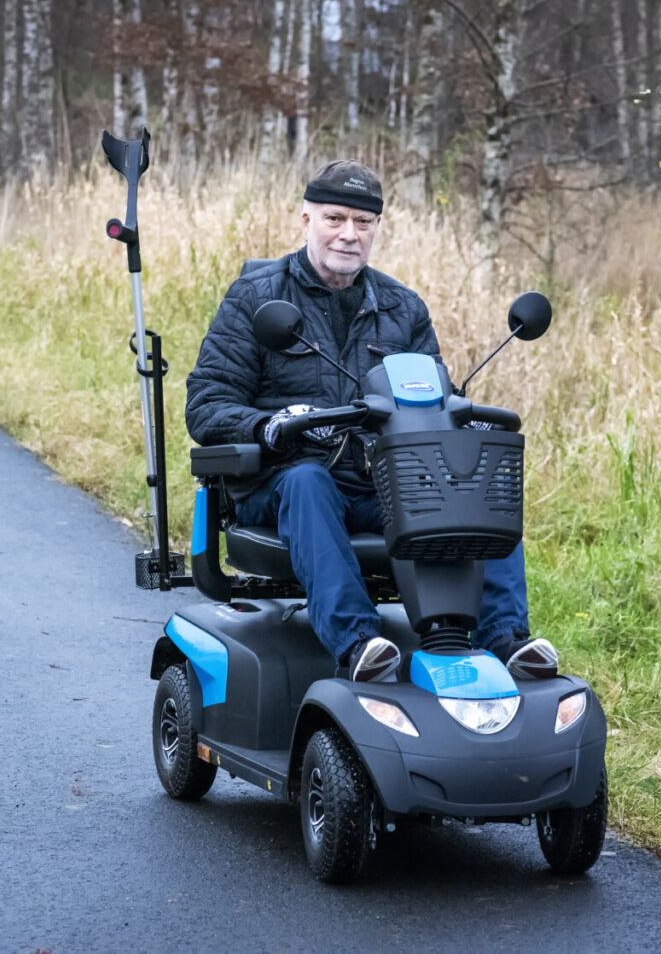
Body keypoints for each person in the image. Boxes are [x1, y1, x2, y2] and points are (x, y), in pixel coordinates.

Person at [185, 159, 558, 683]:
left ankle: (503, 637)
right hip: (283, 480)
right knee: (308, 480)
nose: (348, 235)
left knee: (478, 481)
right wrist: (270, 425)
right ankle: (357, 643)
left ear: (377, 229)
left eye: (363, 224)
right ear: (306, 219)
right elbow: (206, 403)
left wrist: (459, 425)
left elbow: (433, 400)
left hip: (376, 483)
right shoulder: (256, 298)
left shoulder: (403, 309)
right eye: (334, 219)